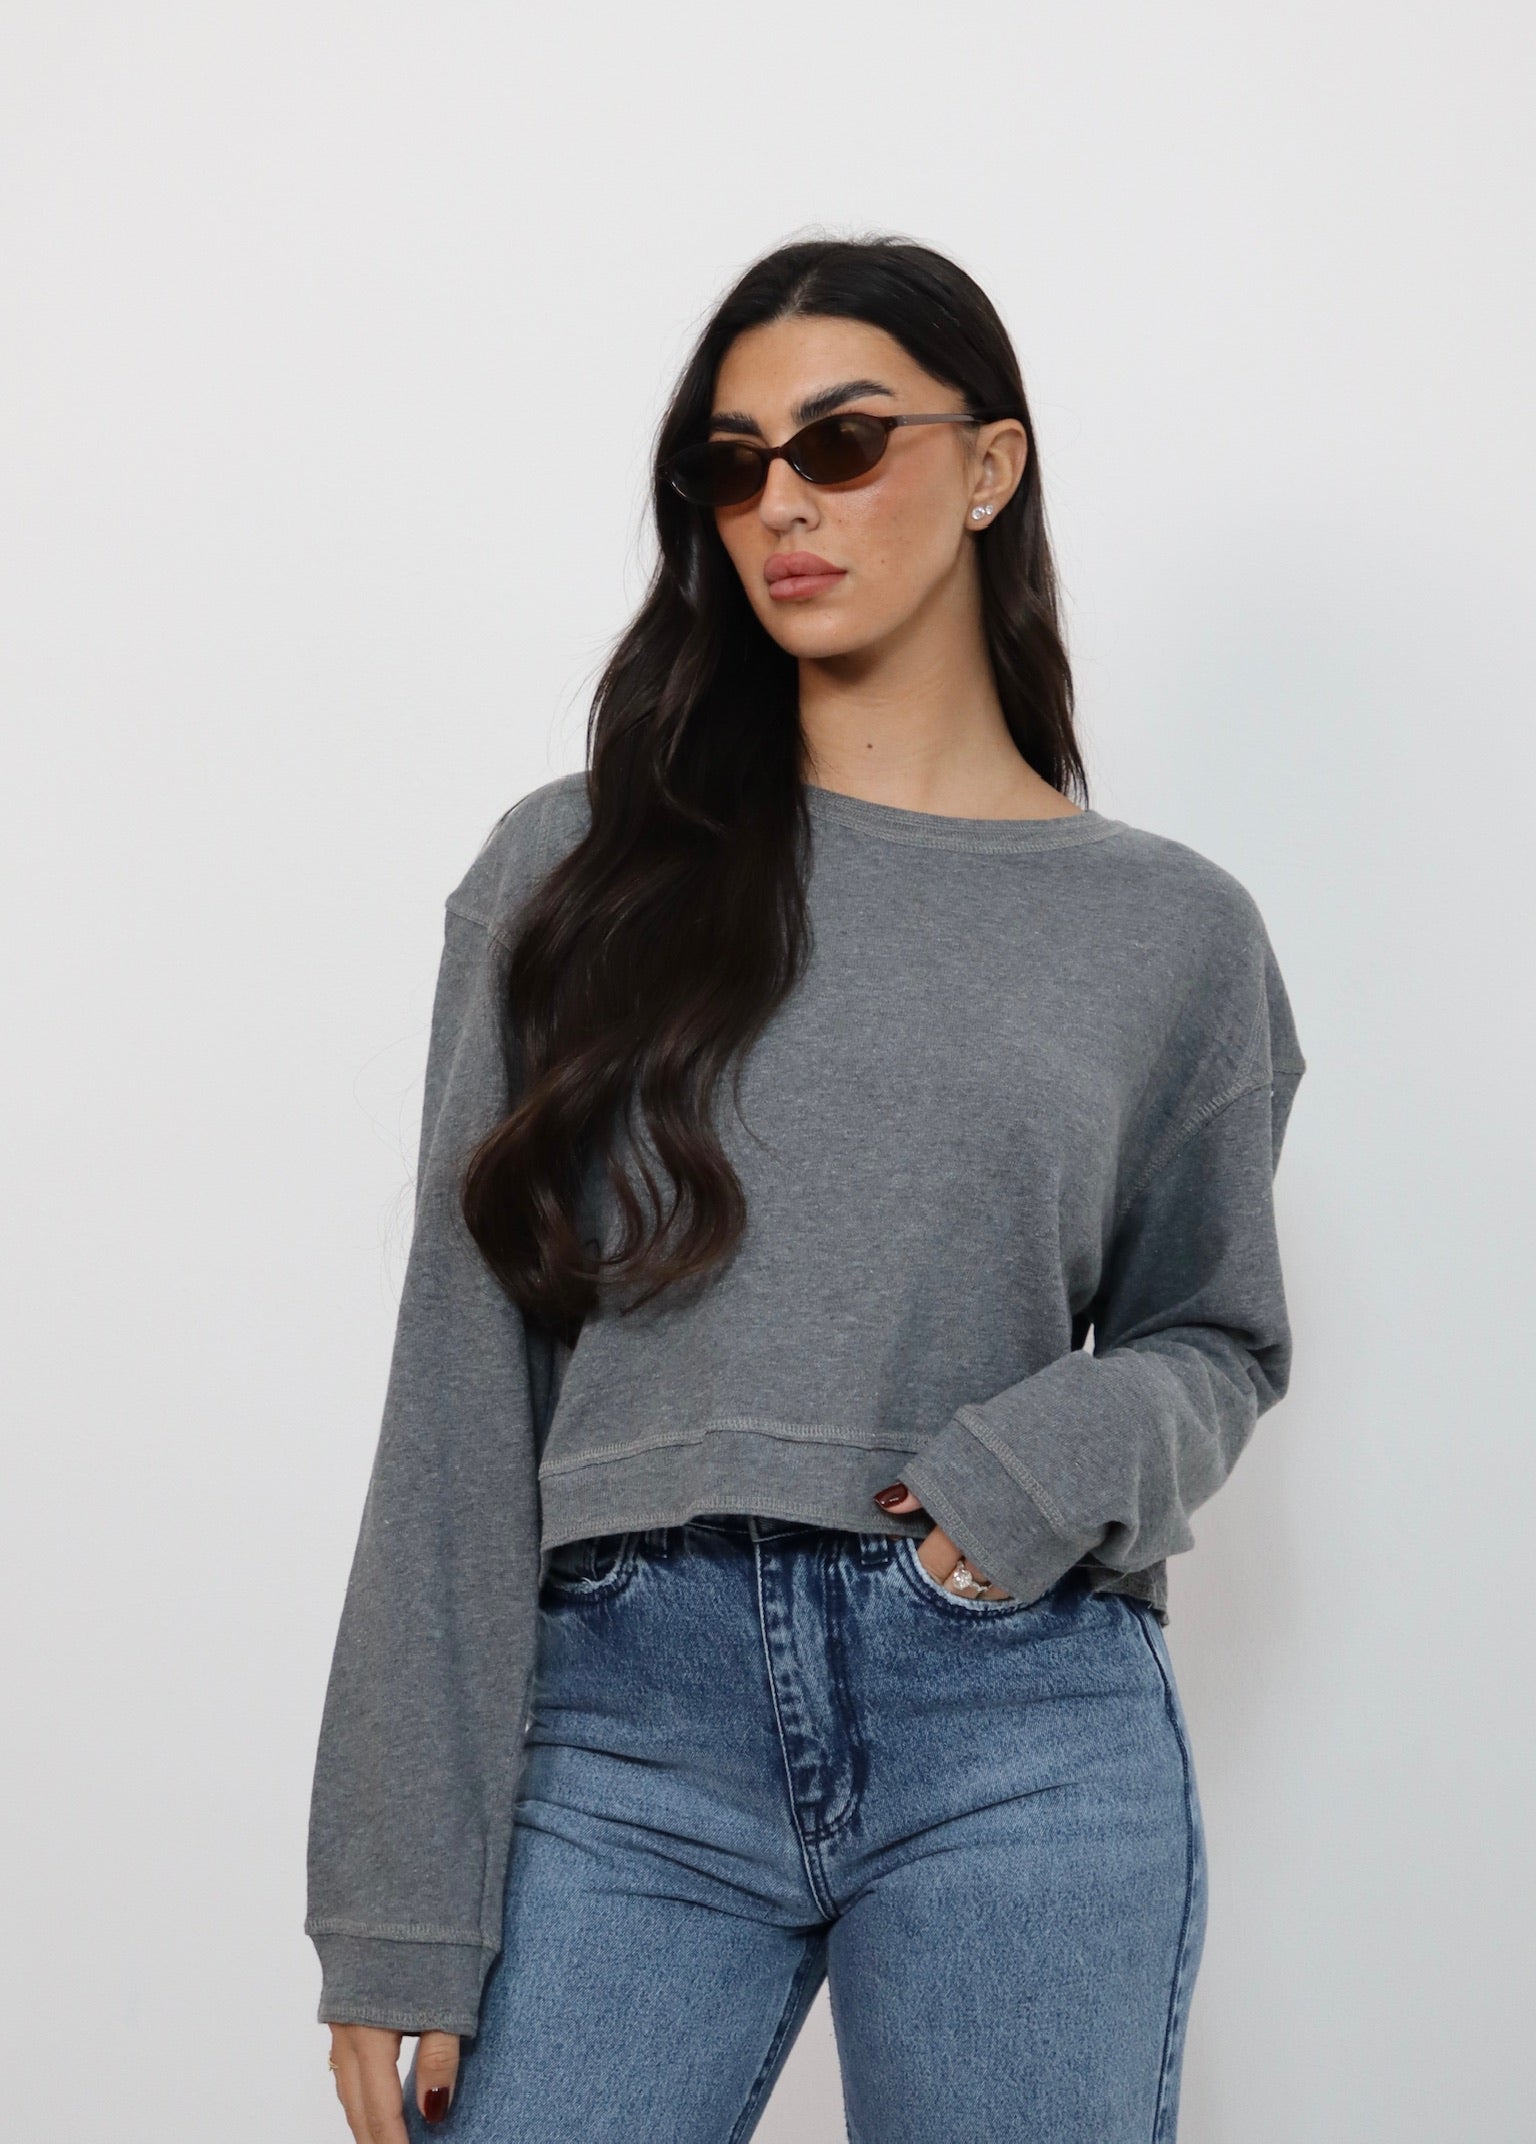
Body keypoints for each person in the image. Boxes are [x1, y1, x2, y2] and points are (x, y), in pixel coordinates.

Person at [307, 234, 1305, 2144]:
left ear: (990, 467)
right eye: (733, 462)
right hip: (623, 1723)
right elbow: (456, 1383)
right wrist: (395, 1899)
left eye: (842, 444)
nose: (782, 502)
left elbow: (1216, 1337)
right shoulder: (574, 873)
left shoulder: (1170, 932)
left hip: (1018, 1712)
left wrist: (1017, 1488)